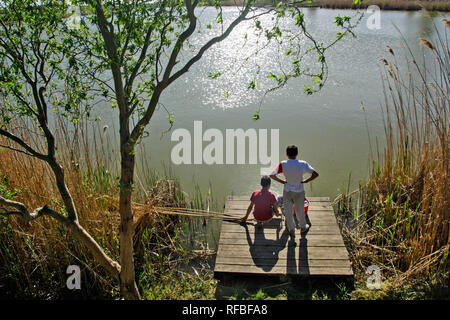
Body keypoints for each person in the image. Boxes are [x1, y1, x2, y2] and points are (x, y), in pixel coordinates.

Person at [270, 145, 319, 237]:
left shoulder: (283, 164)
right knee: (300, 210)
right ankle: (303, 227)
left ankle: (291, 229)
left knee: (288, 211)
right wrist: (306, 181)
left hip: (287, 190)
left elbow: (272, 175)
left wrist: (282, 181)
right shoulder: (303, 163)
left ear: (286, 154)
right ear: (297, 154)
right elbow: (315, 174)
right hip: (299, 191)